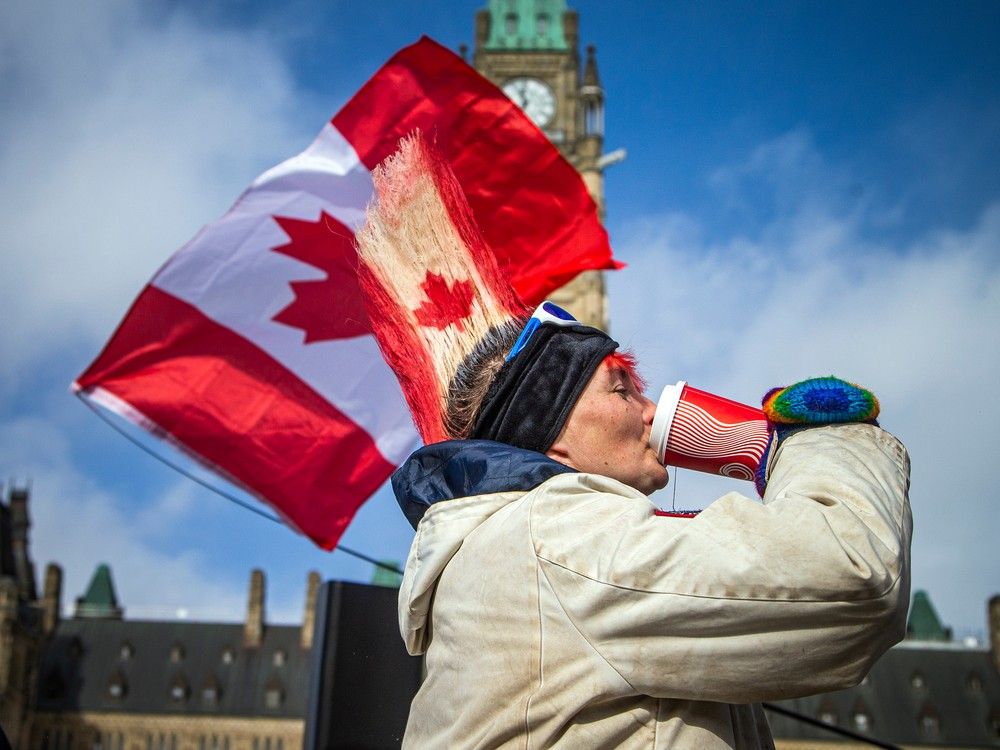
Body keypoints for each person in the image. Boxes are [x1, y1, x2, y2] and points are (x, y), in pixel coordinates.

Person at [354, 134, 911, 749]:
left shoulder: (527, 544)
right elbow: (853, 577)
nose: (652, 412)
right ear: (552, 440)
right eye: (622, 391)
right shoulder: (553, 539)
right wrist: (813, 442)